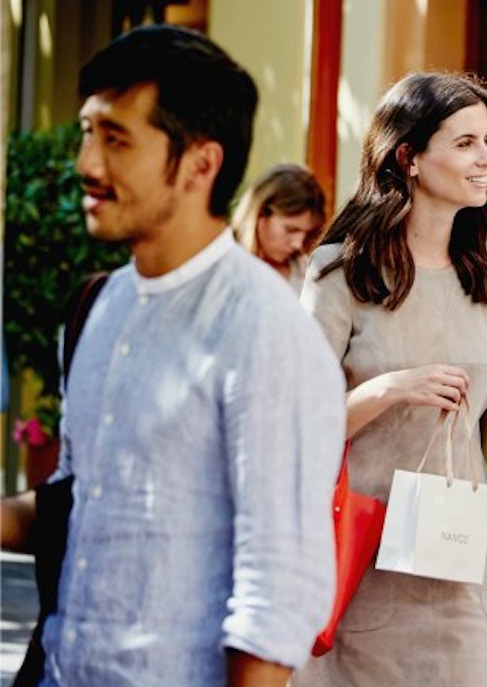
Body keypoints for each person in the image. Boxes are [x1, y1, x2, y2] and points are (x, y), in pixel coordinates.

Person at [0, 24, 347, 686]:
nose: (86, 164)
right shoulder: (101, 307)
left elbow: (275, 594)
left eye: (116, 139)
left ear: (199, 163)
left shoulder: (266, 329)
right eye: (86, 132)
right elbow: (74, 502)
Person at [294, 71, 487, 686]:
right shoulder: (338, 273)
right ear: (409, 157)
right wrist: (390, 388)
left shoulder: (486, 272)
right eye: (466, 142)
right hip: (358, 556)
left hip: (458, 563)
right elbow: (293, 427)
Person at [232, 162, 327, 293]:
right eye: (291, 230)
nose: (298, 244)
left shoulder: (308, 273)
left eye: (307, 233)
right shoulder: (223, 268)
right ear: (260, 214)